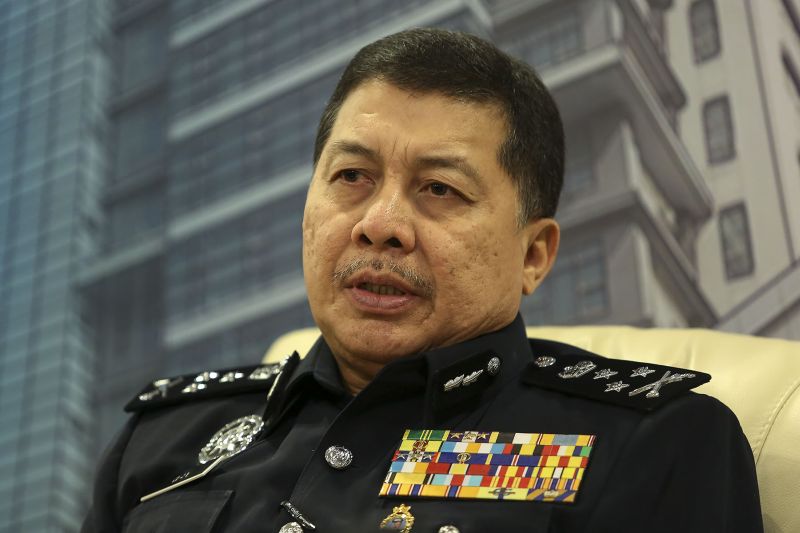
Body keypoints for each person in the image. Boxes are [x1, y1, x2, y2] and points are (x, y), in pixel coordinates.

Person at [82, 29, 762, 533]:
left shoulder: (651, 444)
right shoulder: (162, 440)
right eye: (351, 177)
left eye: (439, 188)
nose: (381, 224)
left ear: (535, 254)